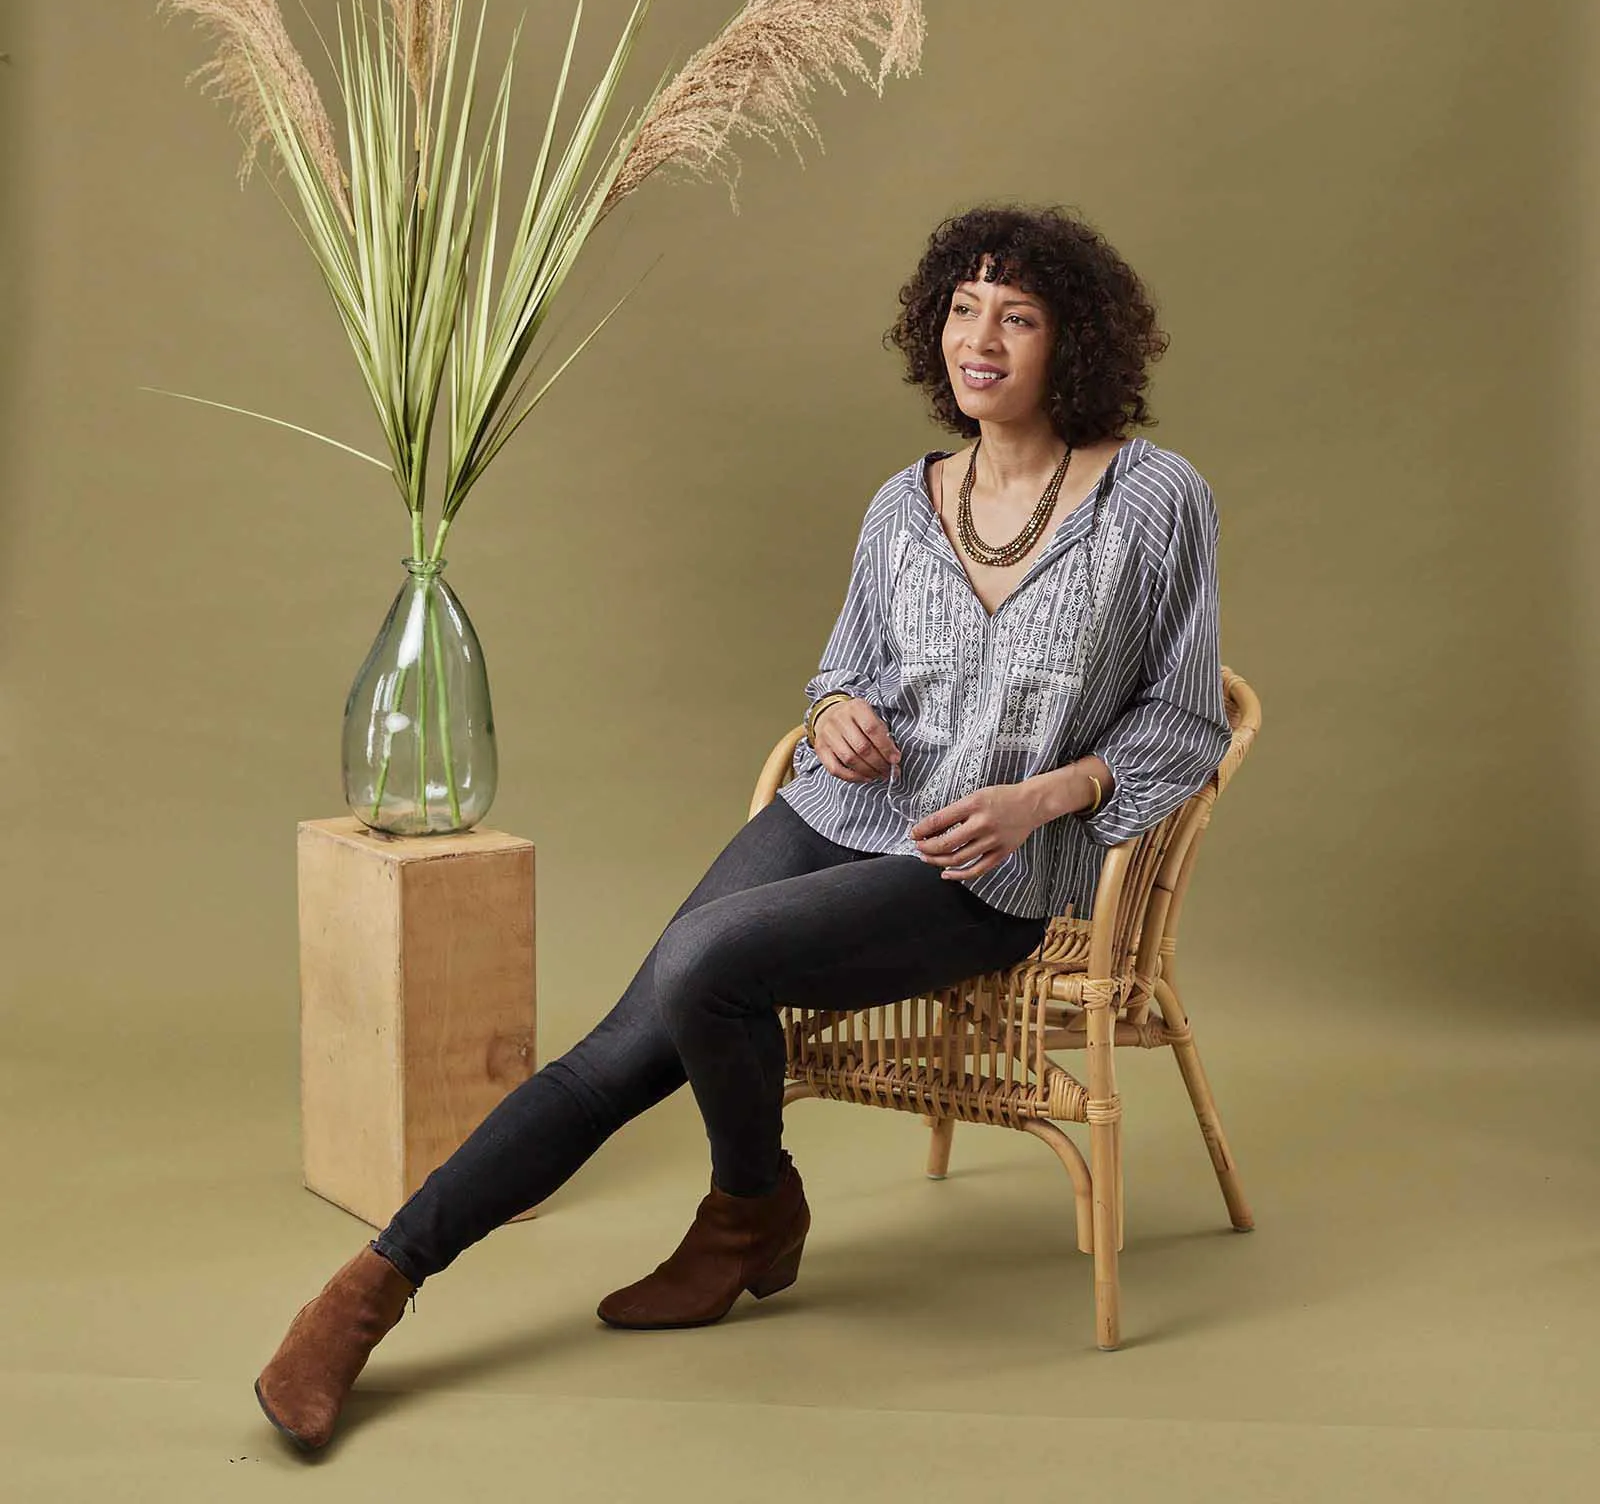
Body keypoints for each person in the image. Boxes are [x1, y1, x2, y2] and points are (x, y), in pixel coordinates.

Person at [253, 202, 1233, 1452]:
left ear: (1075, 343)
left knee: (702, 962)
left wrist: (1046, 795)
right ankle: (369, 1292)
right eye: (962, 308)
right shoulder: (905, 502)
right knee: (619, 1049)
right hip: (841, 811)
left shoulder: (1153, 500)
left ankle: (745, 1212)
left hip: (981, 868)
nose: (978, 339)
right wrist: (831, 717)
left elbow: (1186, 720)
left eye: (1019, 317)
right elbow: (842, 671)